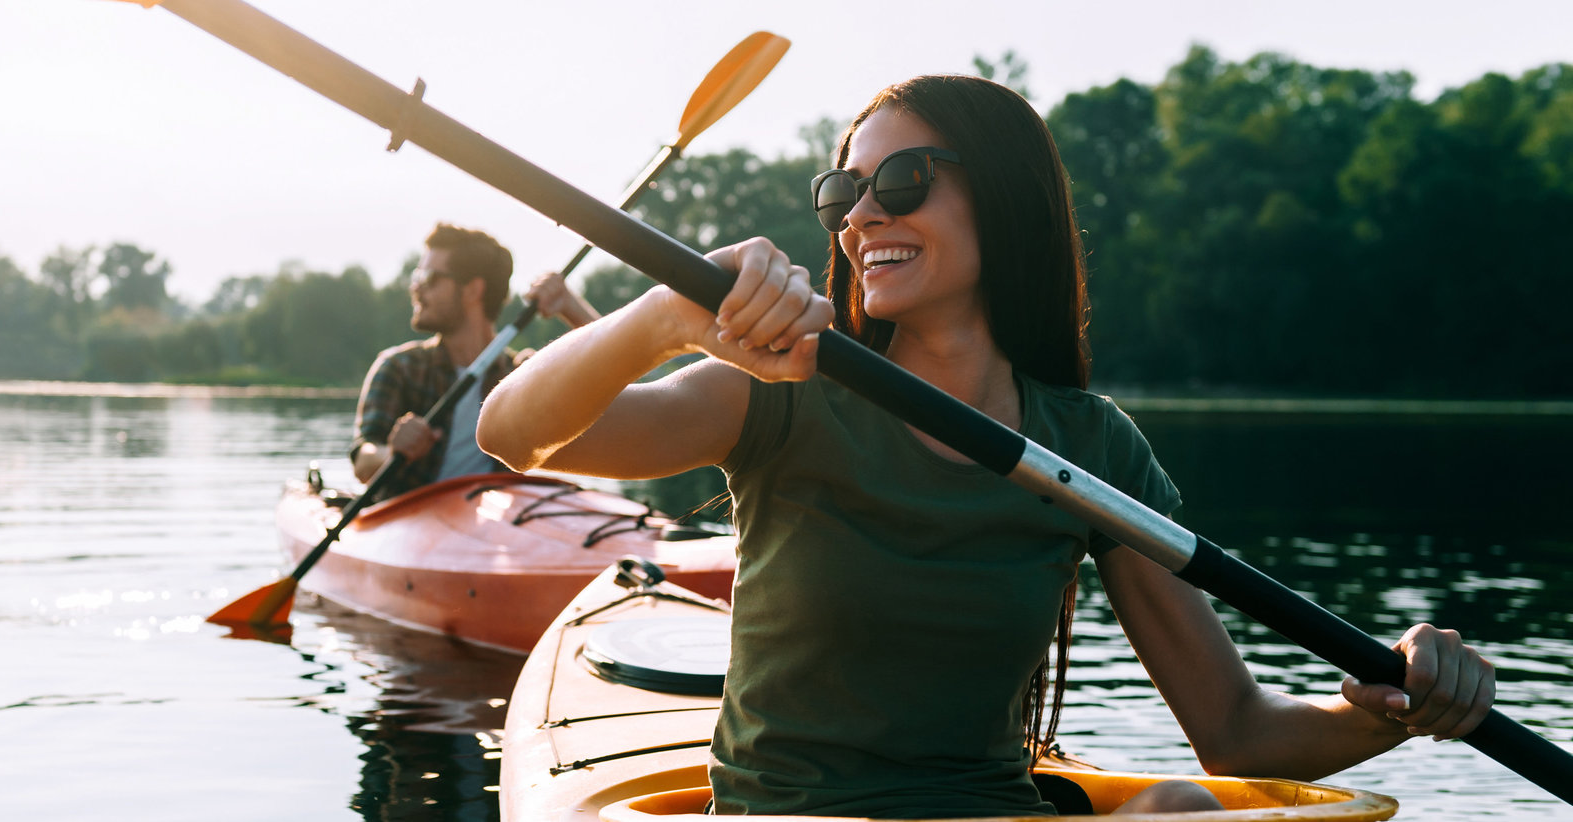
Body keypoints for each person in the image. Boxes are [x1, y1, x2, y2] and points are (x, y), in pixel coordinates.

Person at [476, 75, 1496, 817]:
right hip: (788, 819)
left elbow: (1235, 731)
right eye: (844, 195)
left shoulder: (1090, 449)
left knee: (1182, 808)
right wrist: (663, 315)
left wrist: (1395, 705)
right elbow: (512, 433)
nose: (864, 214)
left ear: (1002, 197)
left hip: (990, 815)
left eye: (905, 180)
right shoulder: (783, 389)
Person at [350, 222, 600, 504]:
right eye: (416, 275)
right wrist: (392, 452)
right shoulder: (399, 367)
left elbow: (614, 375)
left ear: (472, 291)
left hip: (492, 530)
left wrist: (570, 306)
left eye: (429, 278)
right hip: (407, 524)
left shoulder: (522, 376)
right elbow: (363, 463)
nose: (416, 288)